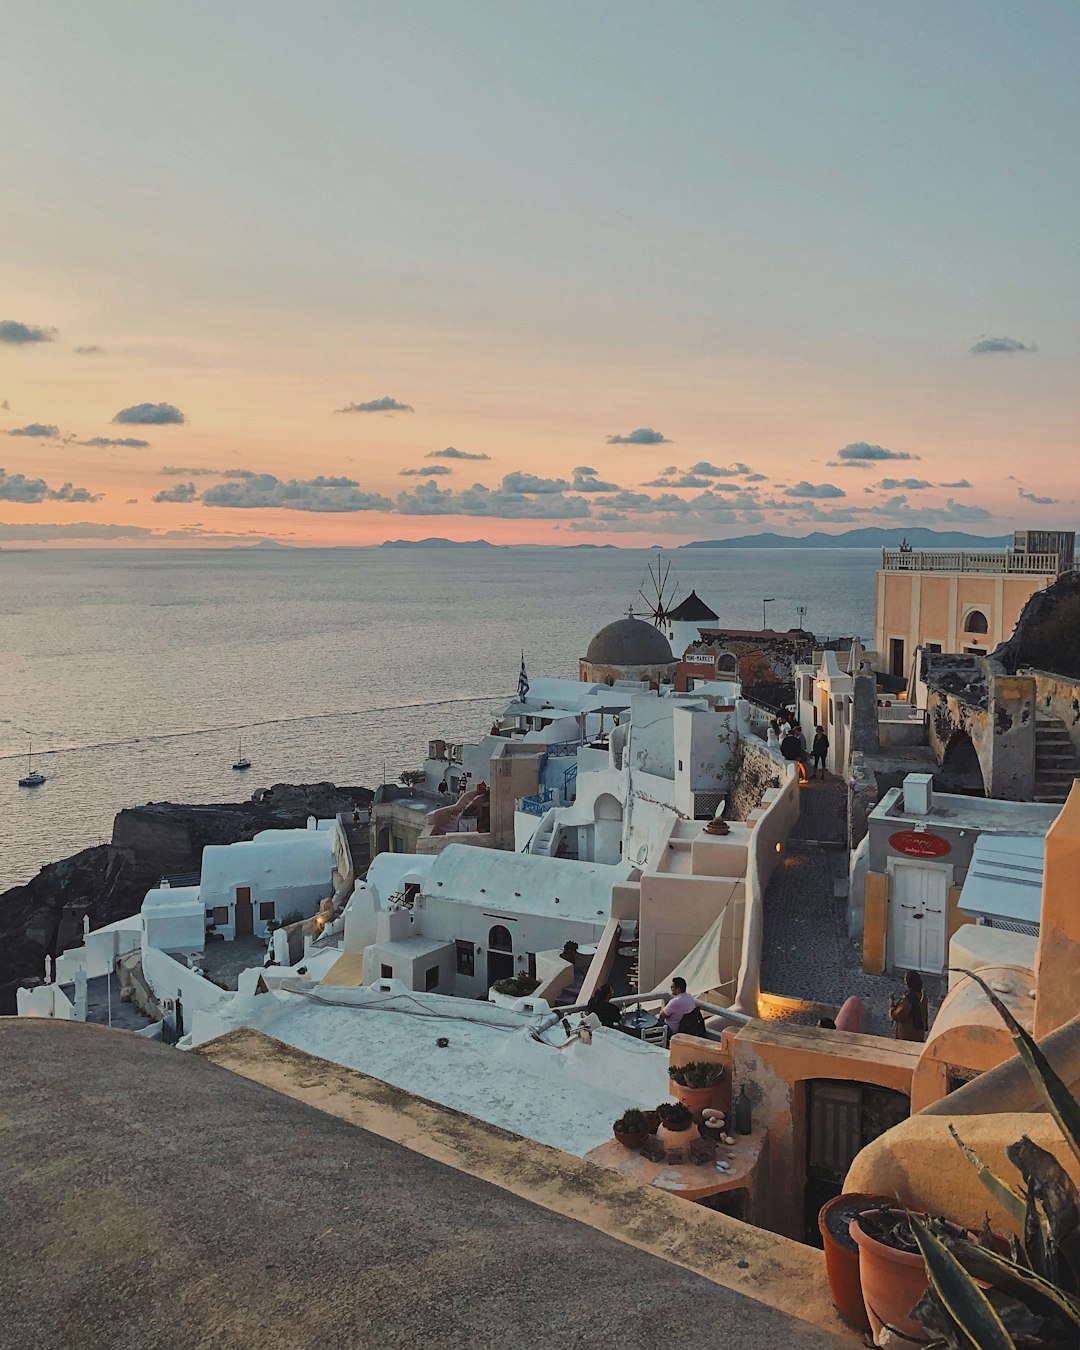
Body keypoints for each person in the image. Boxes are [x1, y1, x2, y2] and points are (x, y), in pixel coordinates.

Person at [890, 970, 929, 1043]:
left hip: (907, 1034)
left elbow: (898, 1015)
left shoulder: (908, 998)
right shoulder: (923, 995)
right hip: (919, 1032)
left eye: (905, 980)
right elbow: (925, 1014)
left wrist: (892, 1005)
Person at [661, 976, 697, 1041]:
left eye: (672, 987)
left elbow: (662, 1015)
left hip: (673, 1030)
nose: (671, 989)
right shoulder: (691, 998)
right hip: (687, 1028)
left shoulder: (675, 1002)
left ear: (678, 989)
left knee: (656, 1021)